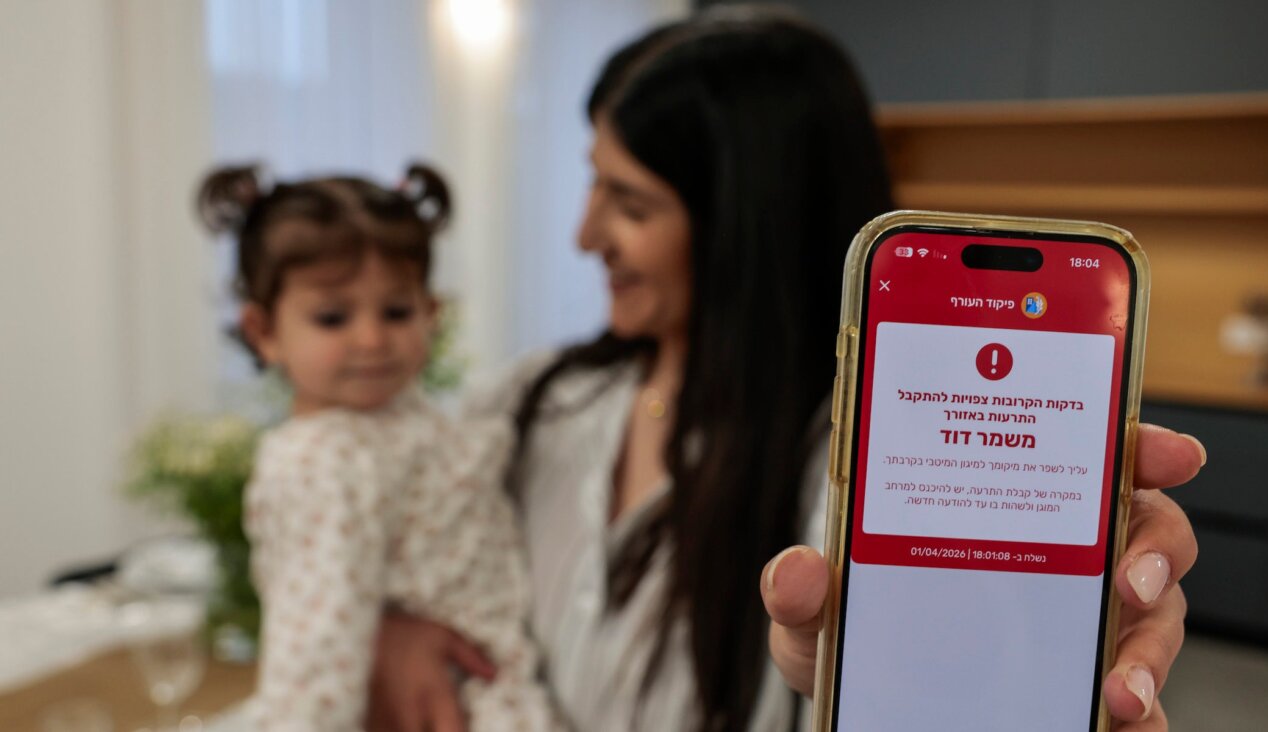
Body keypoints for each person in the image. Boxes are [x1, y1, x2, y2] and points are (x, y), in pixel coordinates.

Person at [369, 6, 1204, 731]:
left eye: (630, 204)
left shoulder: (862, 470)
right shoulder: (538, 400)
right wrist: (393, 621)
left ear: (747, 226)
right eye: (593, 187)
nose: (585, 237)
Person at [197, 165, 563, 731]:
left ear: (431, 314)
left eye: (396, 311)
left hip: (482, 698)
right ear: (263, 331)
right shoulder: (318, 460)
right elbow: (315, 662)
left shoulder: (401, 419)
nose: (370, 338)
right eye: (333, 316)